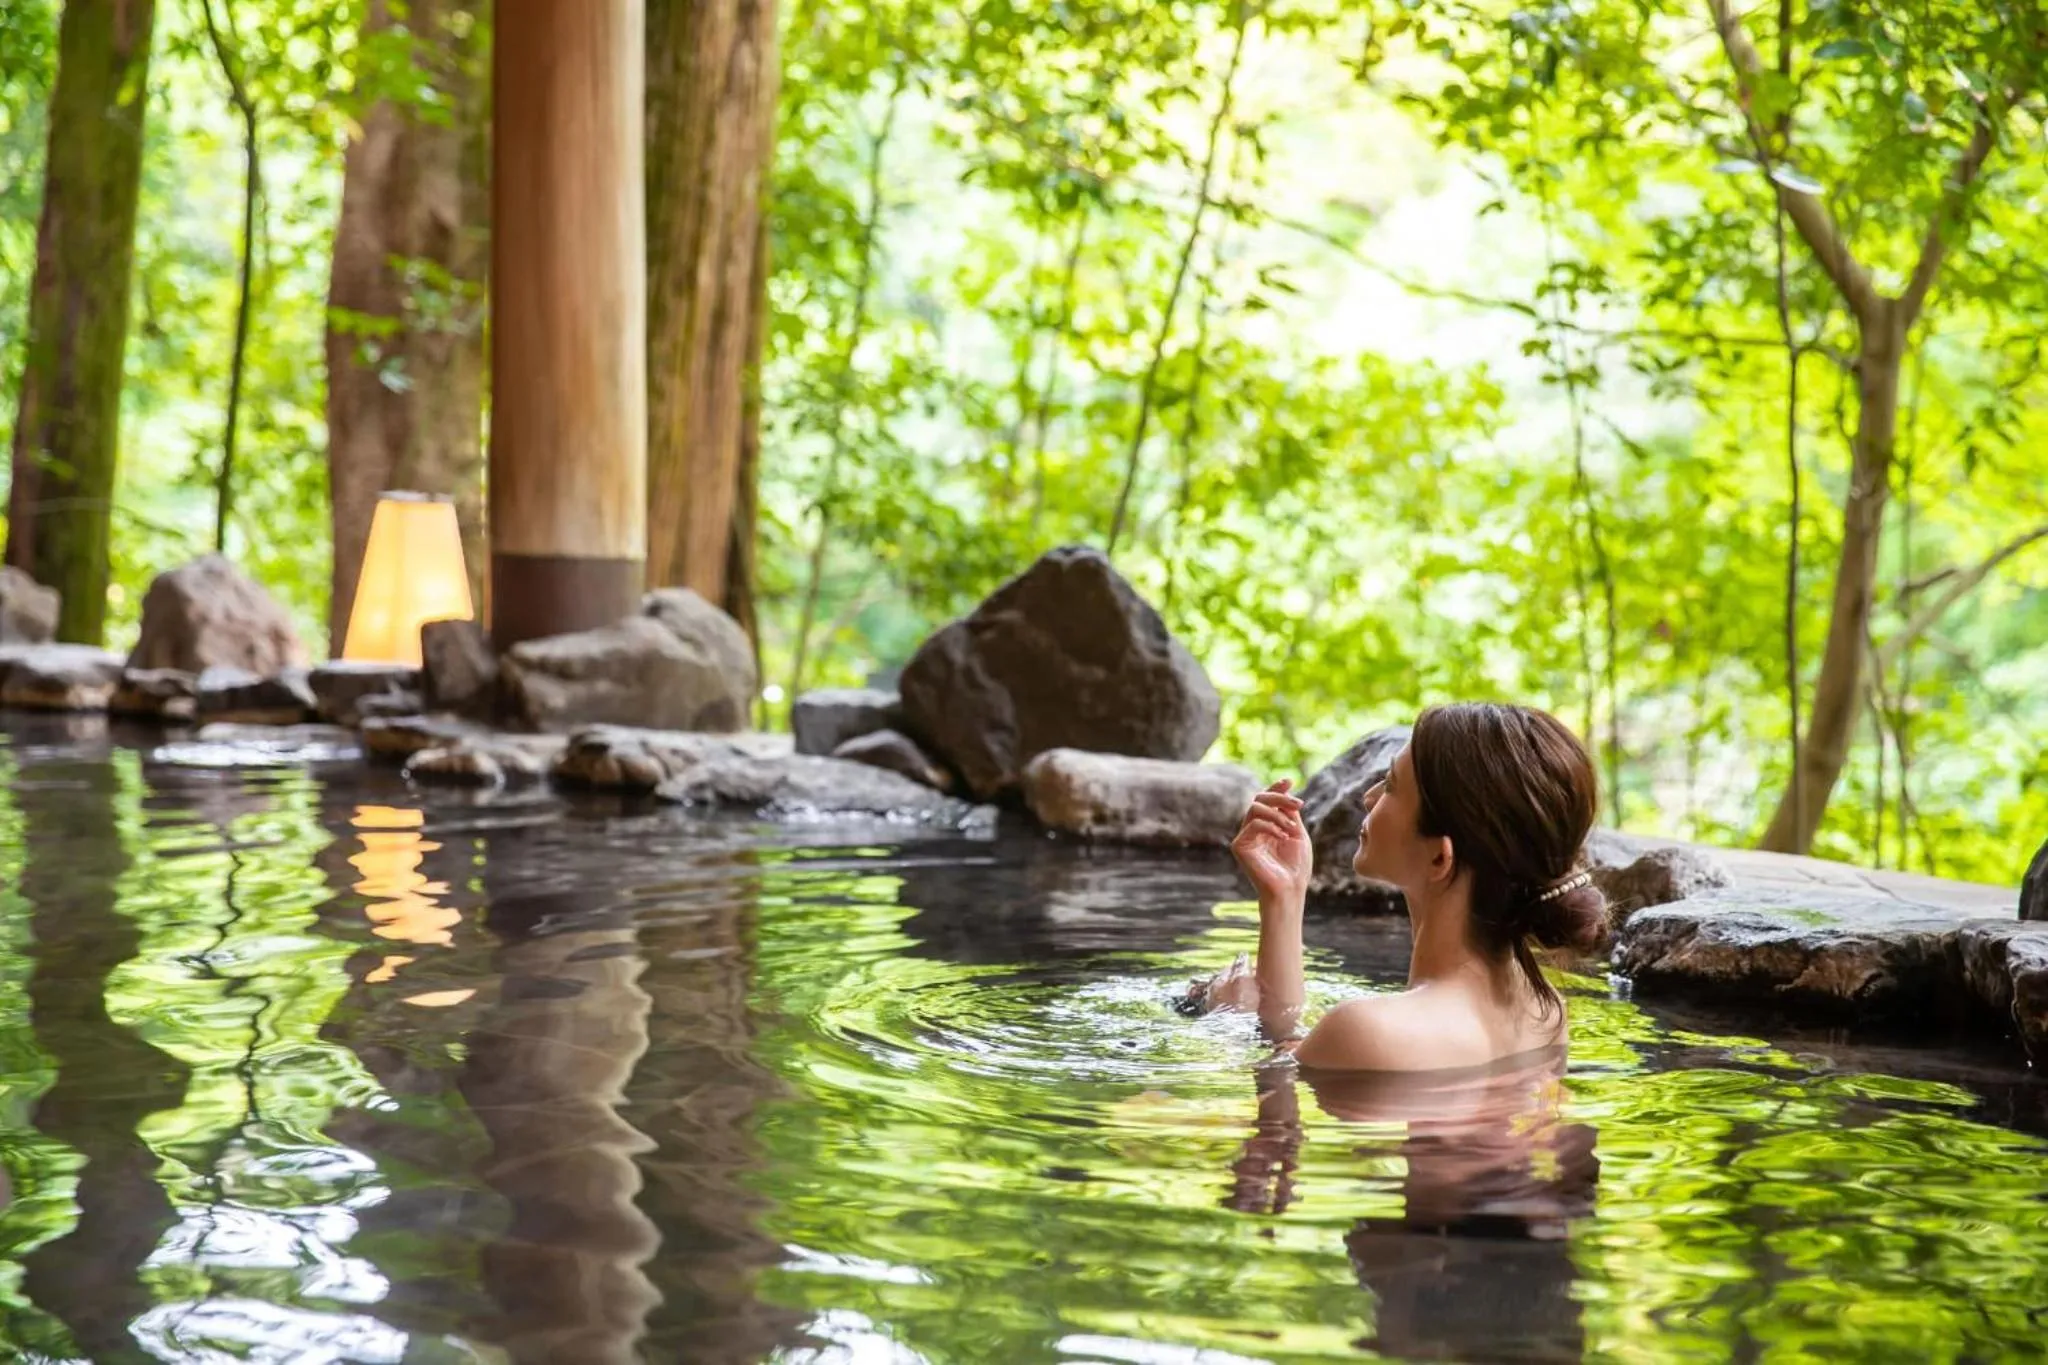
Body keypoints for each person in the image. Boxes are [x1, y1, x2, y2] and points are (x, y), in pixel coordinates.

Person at [1186, 701, 1609, 1072]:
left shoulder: (1368, 1030)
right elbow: (1290, 1039)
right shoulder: (1543, 1010)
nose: (1368, 798)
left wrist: (1228, 1020)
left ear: (1439, 857)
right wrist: (1285, 897)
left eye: (1390, 785)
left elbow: (1275, 1147)